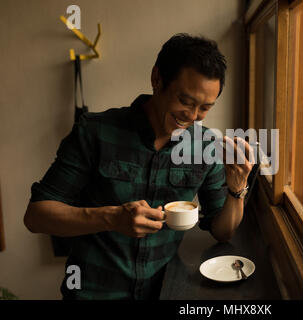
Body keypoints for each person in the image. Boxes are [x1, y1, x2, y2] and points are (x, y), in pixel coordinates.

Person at [23, 34, 254, 300]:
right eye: (186, 101)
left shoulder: (205, 146)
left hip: (164, 292)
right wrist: (112, 217)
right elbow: (36, 216)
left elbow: (222, 230)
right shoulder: (95, 132)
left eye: (205, 108)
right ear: (157, 79)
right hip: (92, 292)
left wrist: (237, 188)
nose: (192, 117)